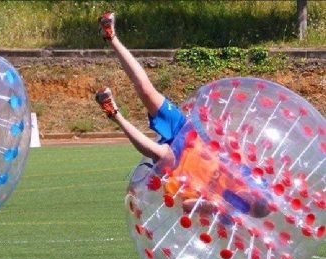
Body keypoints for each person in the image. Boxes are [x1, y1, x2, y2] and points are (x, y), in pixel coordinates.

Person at [95, 12, 270, 219]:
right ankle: (111, 37)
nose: (246, 197)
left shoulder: (227, 214)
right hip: (188, 135)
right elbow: (230, 145)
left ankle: (114, 113)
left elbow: (187, 206)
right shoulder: (248, 176)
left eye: (249, 204)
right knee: (146, 90)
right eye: (252, 197)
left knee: (162, 155)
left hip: (177, 170)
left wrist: (213, 206)